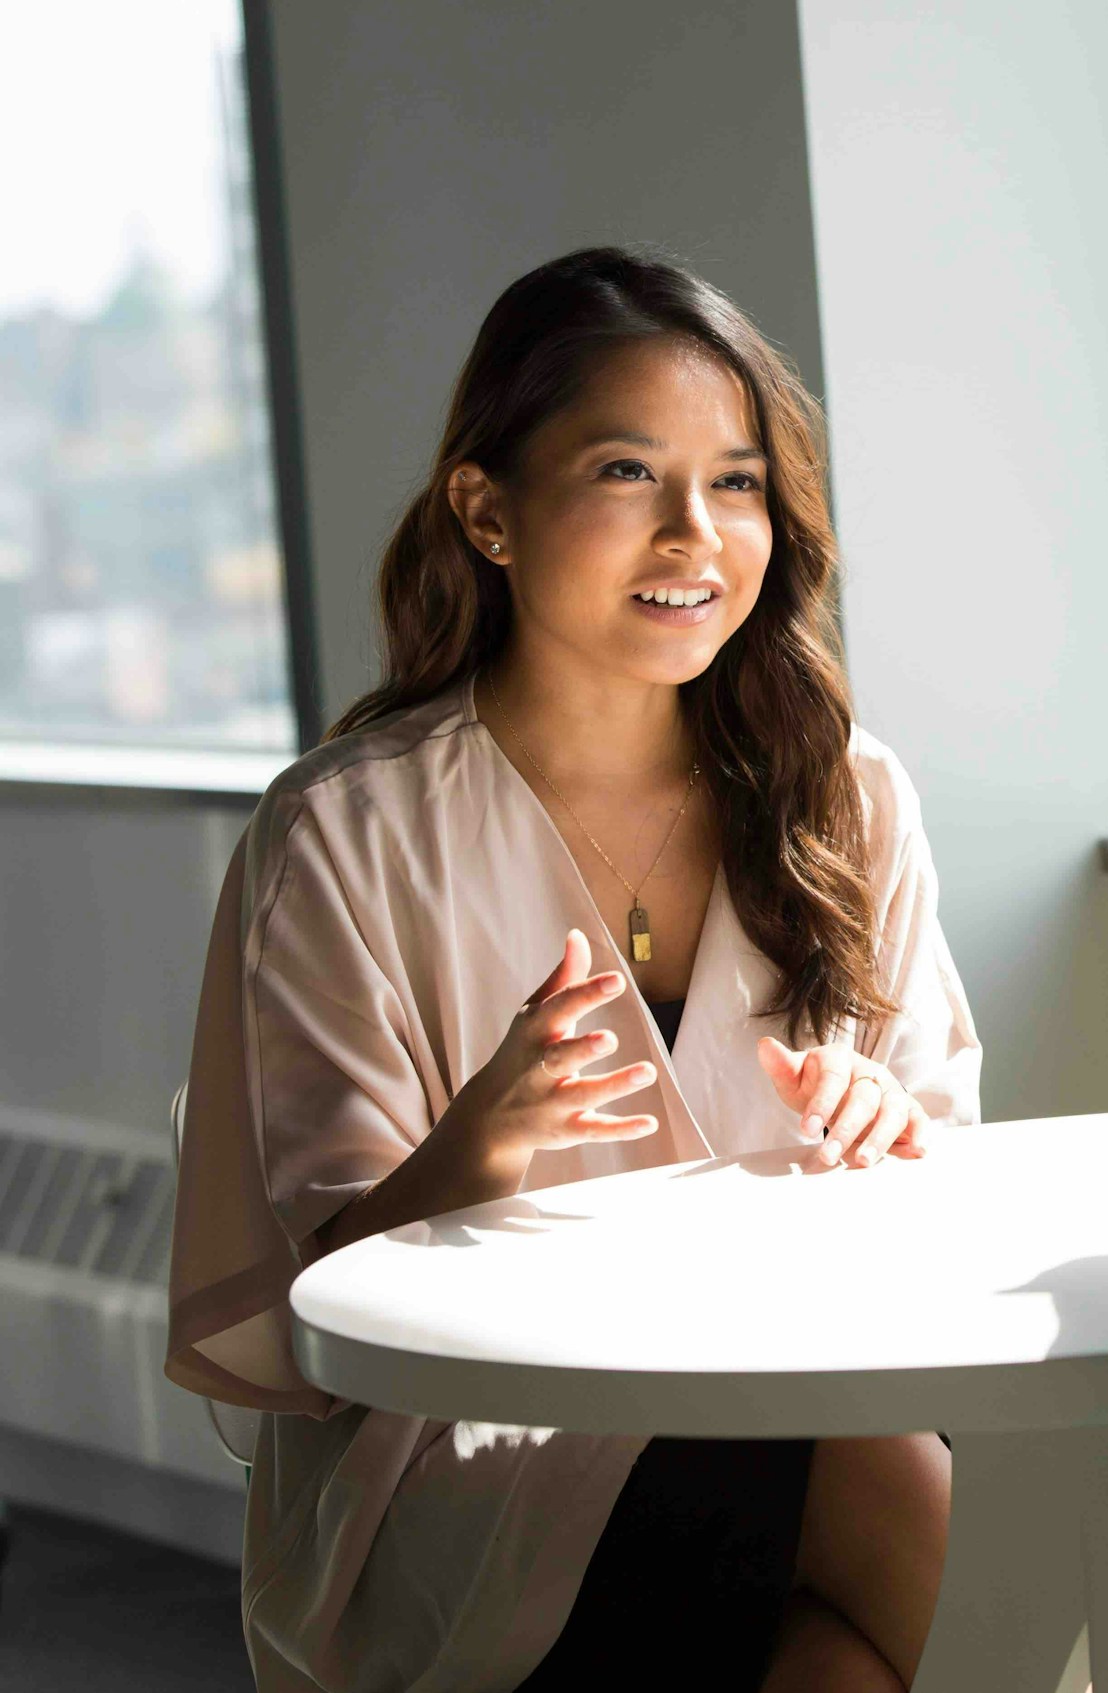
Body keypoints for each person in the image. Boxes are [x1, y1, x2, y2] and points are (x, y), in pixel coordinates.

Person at [165, 248, 980, 1693]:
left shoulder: (849, 797)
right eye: (627, 472)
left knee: (848, 1660)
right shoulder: (344, 834)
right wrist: (468, 1158)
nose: (697, 534)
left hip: (810, 1400)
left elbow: (947, 1186)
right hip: (471, 1477)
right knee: (909, 1498)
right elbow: (320, 1322)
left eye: (736, 482)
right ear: (487, 510)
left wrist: (890, 1131)